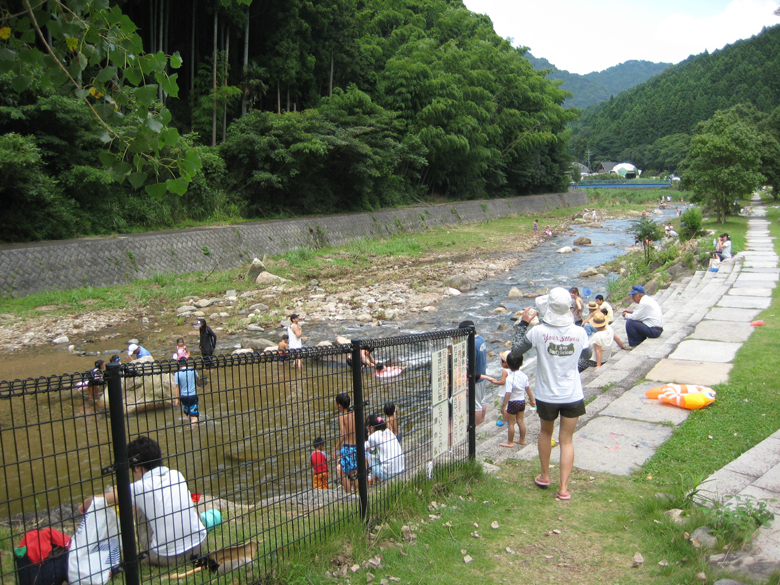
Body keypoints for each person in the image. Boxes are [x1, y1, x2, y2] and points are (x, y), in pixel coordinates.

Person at [511, 287, 589, 501]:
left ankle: (545, 475)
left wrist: (523, 323)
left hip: (546, 395)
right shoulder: (580, 332)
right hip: (572, 393)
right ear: (569, 309)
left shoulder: (538, 332)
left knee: (546, 433)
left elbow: (515, 352)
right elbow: (589, 356)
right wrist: (574, 368)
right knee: (567, 440)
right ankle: (563, 488)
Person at [80, 436, 206, 566]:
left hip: (167, 557)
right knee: (187, 503)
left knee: (140, 510)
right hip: (199, 545)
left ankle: (149, 555)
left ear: (138, 468)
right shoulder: (177, 474)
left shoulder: (139, 487)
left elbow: (98, 500)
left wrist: (85, 503)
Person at [499, 353, 535, 448]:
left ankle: (510, 442)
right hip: (522, 401)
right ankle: (522, 440)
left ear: (508, 365)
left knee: (511, 423)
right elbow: (528, 389)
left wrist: (504, 406)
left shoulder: (510, 378)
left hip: (513, 402)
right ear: (521, 364)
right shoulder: (524, 376)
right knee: (520, 421)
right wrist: (532, 400)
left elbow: (508, 393)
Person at [458, 321, 490, 426]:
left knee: (476, 405)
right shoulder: (481, 339)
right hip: (483, 375)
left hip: (475, 378)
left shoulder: (471, 344)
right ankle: (482, 420)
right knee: (482, 401)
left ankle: (475, 426)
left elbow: (468, 364)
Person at [364, 414, 405, 481]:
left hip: (389, 473)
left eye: (368, 430)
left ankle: (370, 478)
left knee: (365, 453)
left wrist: (369, 436)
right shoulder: (388, 431)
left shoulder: (372, 436)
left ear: (371, 428)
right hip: (401, 468)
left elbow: (371, 450)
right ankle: (375, 478)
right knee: (377, 455)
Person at [333, 393, 357, 494]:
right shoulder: (354, 414)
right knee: (354, 472)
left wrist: (335, 448)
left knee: (343, 473)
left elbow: (343, 435)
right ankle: (357, 492)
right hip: (356, 446)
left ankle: (348, 495)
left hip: (347, 447)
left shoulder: (342, 417)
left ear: (339, 405)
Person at [486, 351, 512, 427]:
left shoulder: (505, 371)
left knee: (505, 406)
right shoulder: (514, 369)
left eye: (501, 361)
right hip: (511, 391)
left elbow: (502, 382)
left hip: (505, 391)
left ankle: (504, 420)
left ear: (505, 363)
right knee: (510, 405)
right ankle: (510, 418)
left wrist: (494, 382)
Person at [174, 358, 200, 425]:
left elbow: (177, 387)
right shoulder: (192, 369)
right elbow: (198, 378)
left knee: (186, 414)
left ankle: (185, 426)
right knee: (194, 416)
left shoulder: (177, 373)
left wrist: (177, 399)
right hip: (192, 396)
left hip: (183, 397)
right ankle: (192, 429)